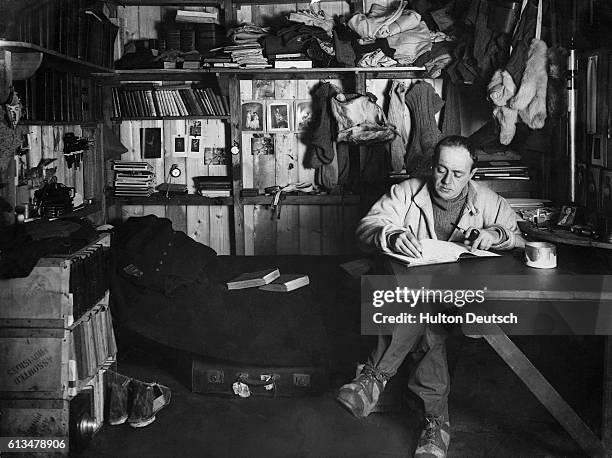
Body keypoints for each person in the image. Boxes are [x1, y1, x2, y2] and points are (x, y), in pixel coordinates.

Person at [336, 136, 524, 458]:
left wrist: (494, 234)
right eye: (441, 170)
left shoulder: (488, 200)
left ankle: (373, 378)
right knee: (427, 323)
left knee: (424, 311)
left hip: (460, 301)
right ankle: (436, 423)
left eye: (458, 173)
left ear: (472, 174)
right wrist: (391, 234)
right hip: (411, 296)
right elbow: (368, 225)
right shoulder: (406, 191)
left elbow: (518, 237)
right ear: (431, 166)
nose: (448, 181)